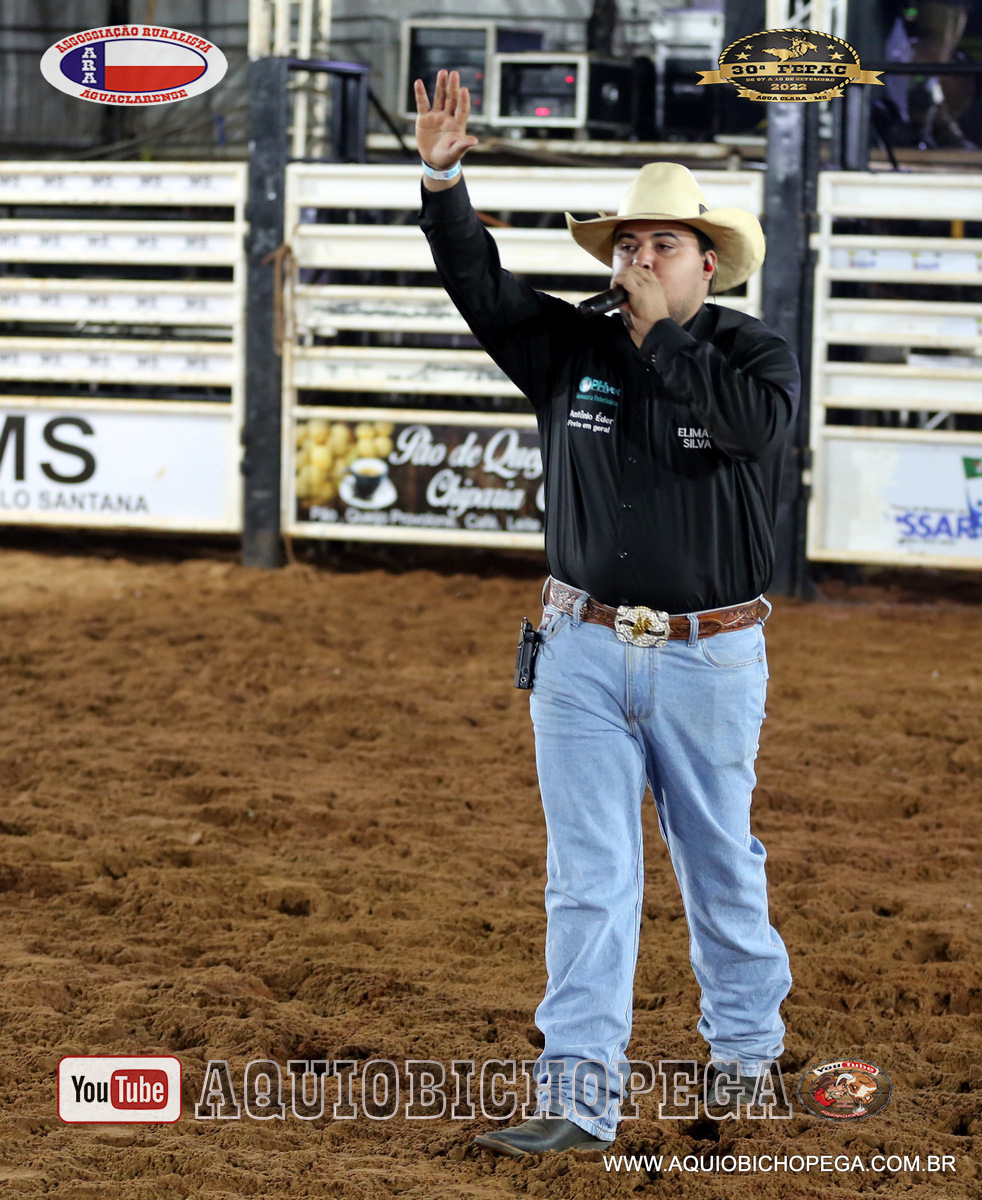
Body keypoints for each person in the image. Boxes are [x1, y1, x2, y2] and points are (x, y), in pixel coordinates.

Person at [416, 70, 798, 1156]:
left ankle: (747, 1057)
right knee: (587, 877)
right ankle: (578, 1098)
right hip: (579, 647)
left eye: (661, 244)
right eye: (627, 244)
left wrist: (662, 337)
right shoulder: (570, 347)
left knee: (719, 862)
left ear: (706, 263)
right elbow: (479, 284)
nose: (637, 258)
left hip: (708, 655)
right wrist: (442, 183)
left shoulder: (750, 355)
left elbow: (750, 434)